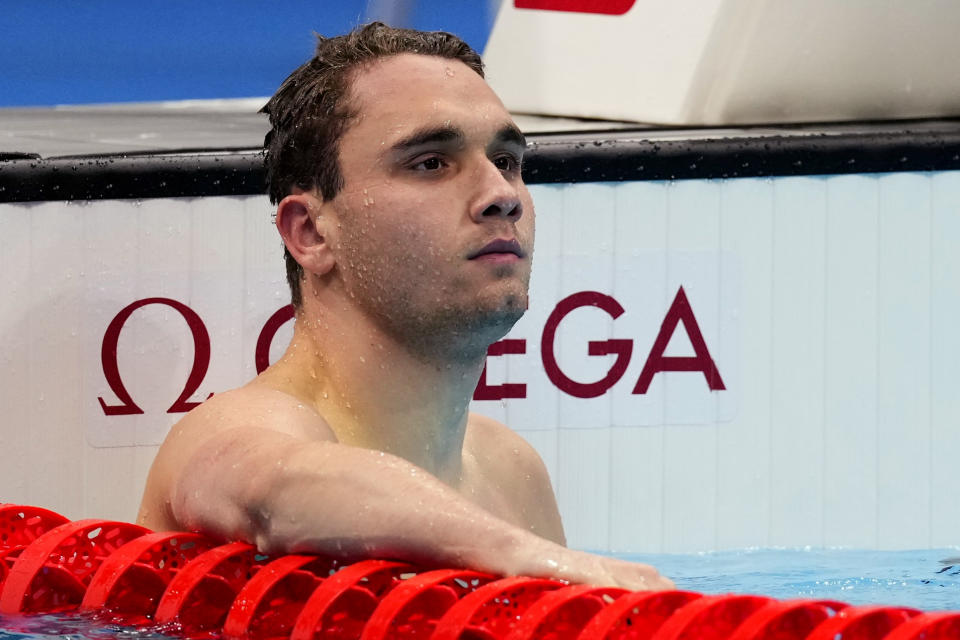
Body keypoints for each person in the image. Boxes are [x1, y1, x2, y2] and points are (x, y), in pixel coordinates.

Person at [137, 22, 672, 591]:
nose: (502, 195)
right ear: (312, 232)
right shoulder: (240, 428)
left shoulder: (510, 473)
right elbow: (276, 492)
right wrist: (519, 553)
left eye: (507, 160)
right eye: (431, 163)